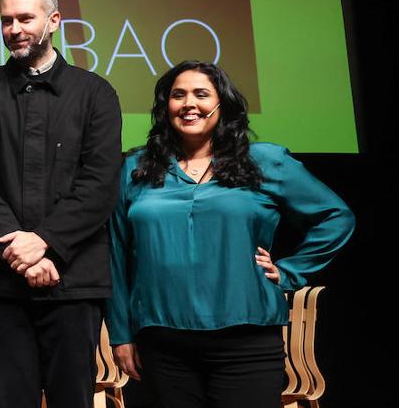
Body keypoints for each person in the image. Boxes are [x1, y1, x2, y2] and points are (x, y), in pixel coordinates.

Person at [106, 61, 354, 408]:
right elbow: (115, 251)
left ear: (223, 104)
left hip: (246, 341)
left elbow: (335, 216)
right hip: (161, 343)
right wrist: (120, 335)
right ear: (166, 107)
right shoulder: (137, 168)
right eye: (178, 95)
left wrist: (290, 272)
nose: (189, 103)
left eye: (201, 94)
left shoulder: (264, 160)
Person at [0, 0, 122, 408]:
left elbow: (99, 185)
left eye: (25, 18)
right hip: (2, 284)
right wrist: (20, 253)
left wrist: (46, 244)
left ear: (54, 21)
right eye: (6, 20)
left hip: (73, 280)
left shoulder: (96, 92)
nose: (14, 28)